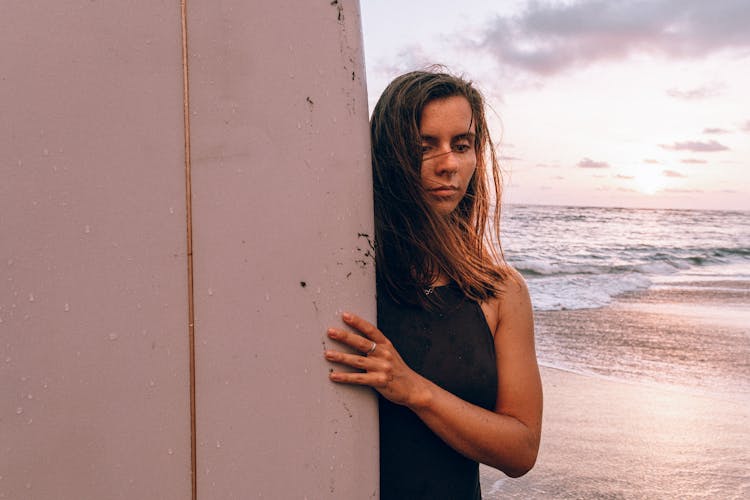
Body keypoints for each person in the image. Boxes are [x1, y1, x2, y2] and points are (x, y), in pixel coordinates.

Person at [323, 69, 542, 499]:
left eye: (462, 145)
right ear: (389, 156)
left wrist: (415, 390)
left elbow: (521, 450)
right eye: (424, 147)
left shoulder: (500, 290)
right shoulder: (346, 275)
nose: (448, 164)